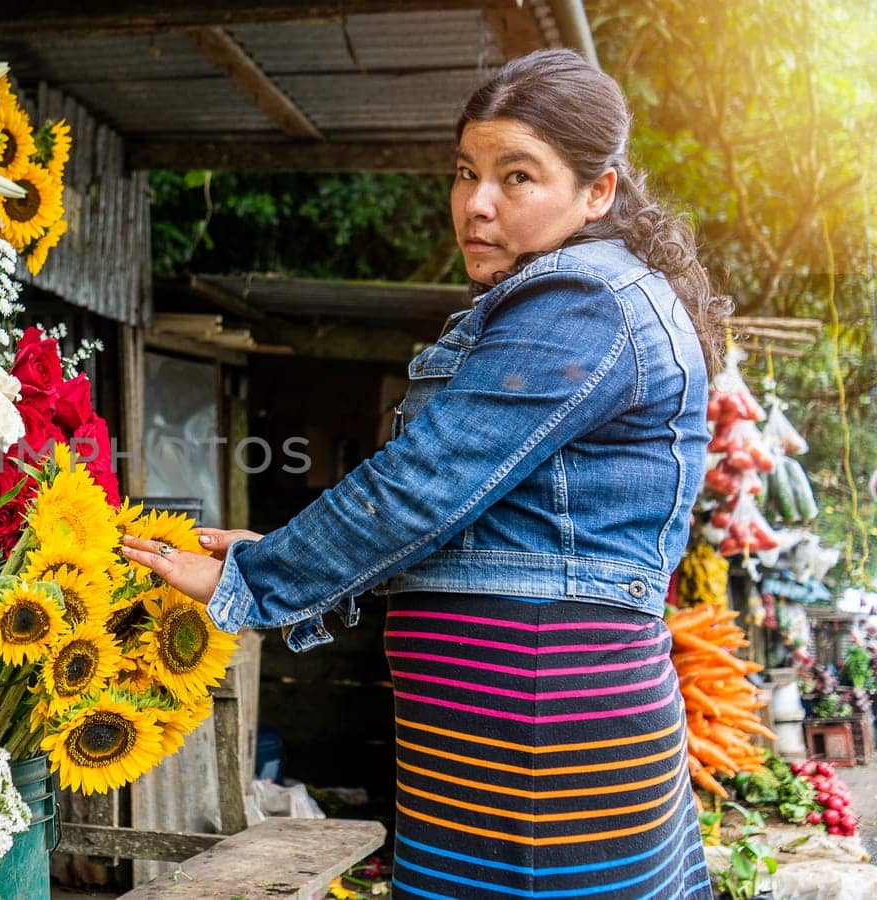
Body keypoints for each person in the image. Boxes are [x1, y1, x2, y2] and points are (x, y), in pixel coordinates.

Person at [121, 48, 729, 899]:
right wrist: (275, 553)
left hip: (536, 718)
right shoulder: (586, 294)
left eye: (518, 177)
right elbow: (486, 528)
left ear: (599, 192)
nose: (476, 205)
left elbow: (421, 485)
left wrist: (258, 579)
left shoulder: (582, 300)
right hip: (506, 717)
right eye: (465, 173)